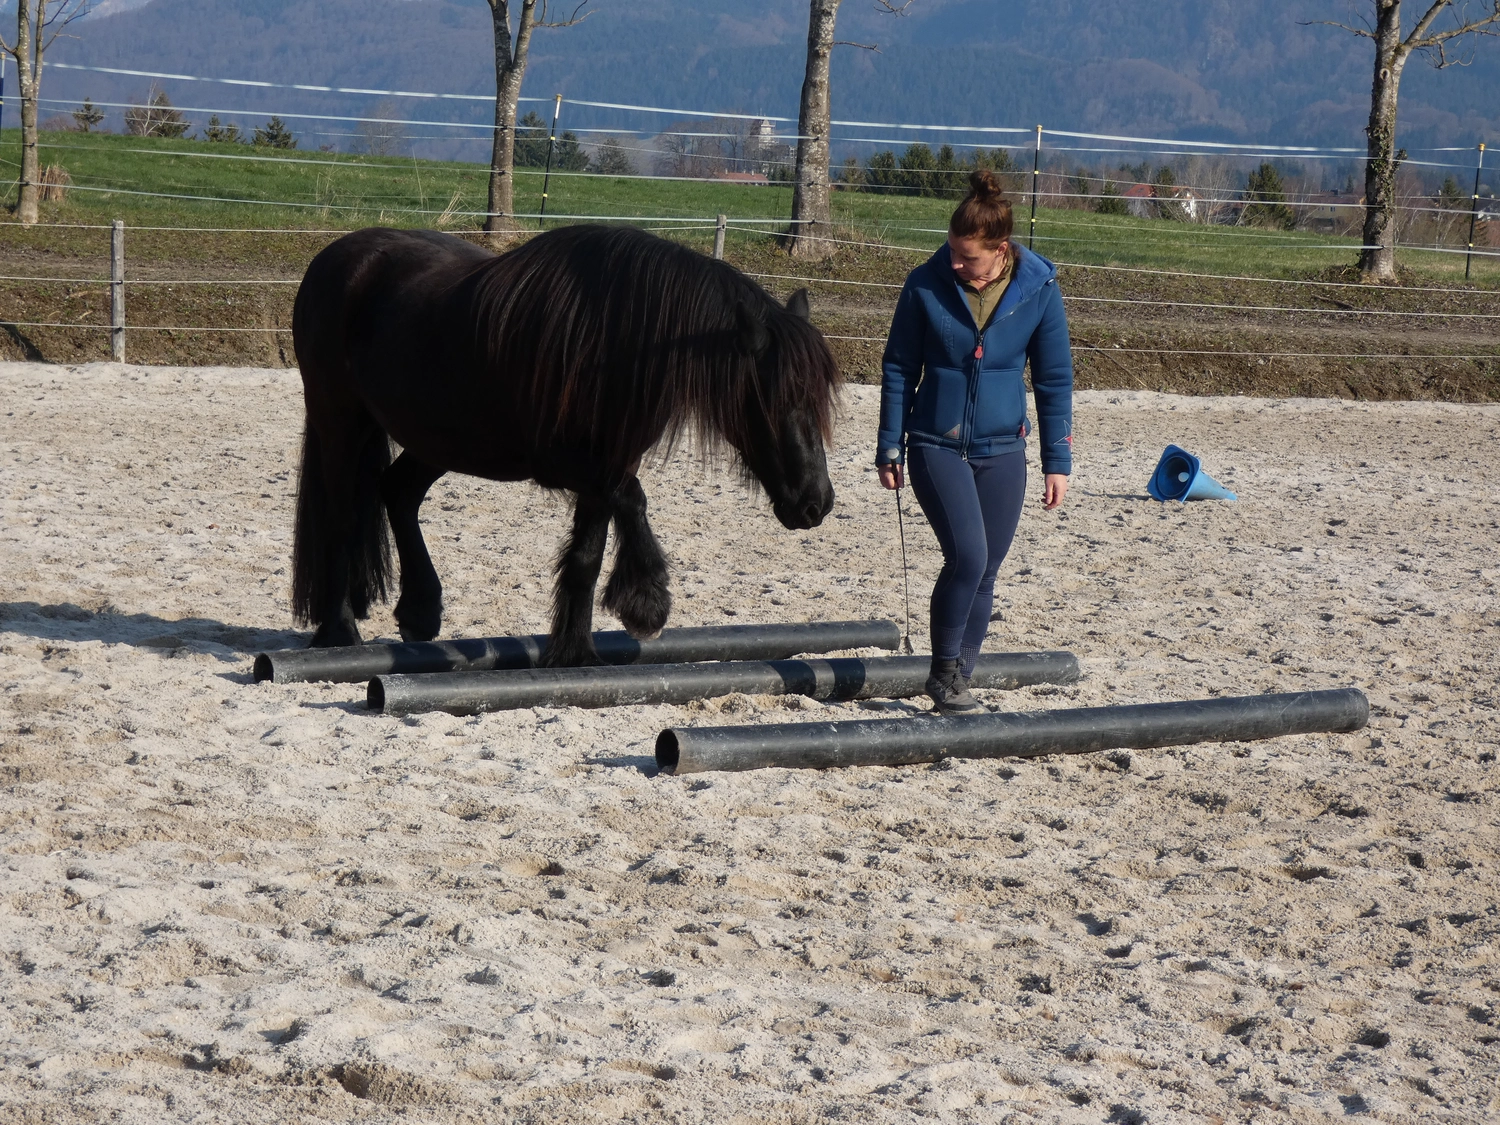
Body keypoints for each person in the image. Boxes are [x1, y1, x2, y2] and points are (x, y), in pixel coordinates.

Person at [876, 168, 1073, 713]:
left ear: (1000, 250)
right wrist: (889, 444)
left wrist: (1058, 459)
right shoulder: (924, 284)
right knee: (968, 556)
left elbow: (1054, 379)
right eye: (951, 251)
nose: (955, 263)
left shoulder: (1038, 290)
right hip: (935, 444)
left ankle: (961, 677)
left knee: (986, 571)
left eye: (968, 257)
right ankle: (942, 672)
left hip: (1004, 449)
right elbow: (899, 368)